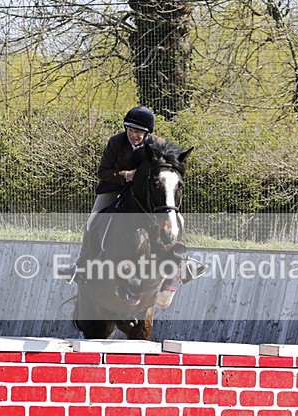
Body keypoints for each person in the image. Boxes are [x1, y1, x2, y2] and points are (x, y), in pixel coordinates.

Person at [60, 106, 207, 289]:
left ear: (147, 133)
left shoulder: (158, 144)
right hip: (115, 187)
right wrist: (125, 175)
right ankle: (82, 264)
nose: (133, 135)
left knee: (177, 218)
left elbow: (170, 166)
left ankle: (186, 262)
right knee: (93, 220)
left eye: (138, 132)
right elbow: (102, 171)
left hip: (146, 191)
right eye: (130, 130)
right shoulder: (116, 142)